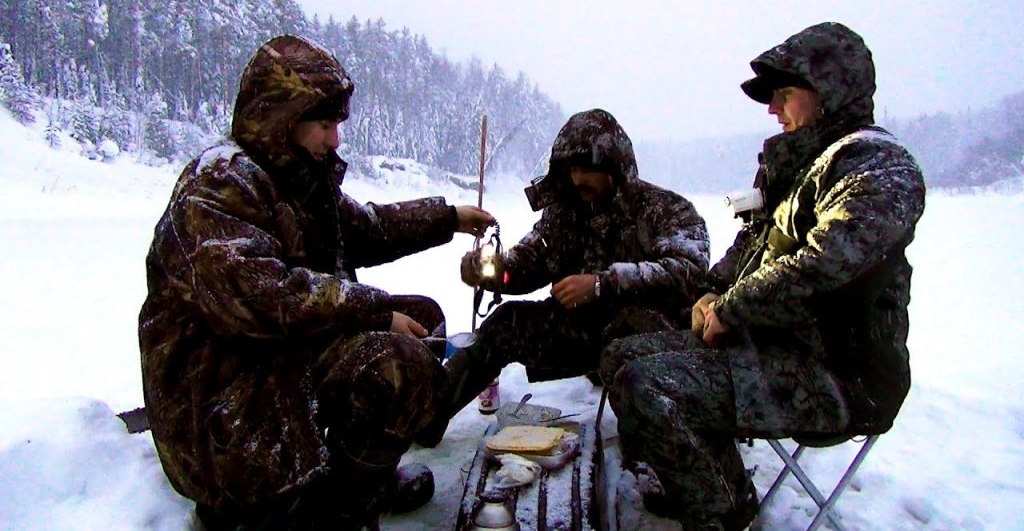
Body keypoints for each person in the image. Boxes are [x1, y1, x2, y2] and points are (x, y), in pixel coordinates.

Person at [138, 34, 494, 531]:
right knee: (395, 361)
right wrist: (373, 312)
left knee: (421, 319)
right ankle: (316, 511)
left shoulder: (298, 178)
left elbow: (367, 228)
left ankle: (359, 482)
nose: (335, 140)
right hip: (224, 408)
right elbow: (263, 293)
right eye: (324, 125)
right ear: (283, 120)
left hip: (275, 359)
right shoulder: (219, 185)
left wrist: (448, 217)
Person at [599, 22, 927, 530]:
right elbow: (752, 247)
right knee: (621, 354)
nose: (773, 109)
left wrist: (732, 309)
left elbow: (824, 263)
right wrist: (712, 289)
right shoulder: (796, 169)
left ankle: (724, 517)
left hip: (840, 374)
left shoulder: (879, 167)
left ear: (830, 92)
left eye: (784, 94)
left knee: (650, 386)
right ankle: (712, 485)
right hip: (776, 345)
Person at [416, 108, 710, 447]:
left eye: (587, 169)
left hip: (644, 340)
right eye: (572, 169)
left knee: (637, 336)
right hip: (581, 332)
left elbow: (687, 270)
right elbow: (529, 262)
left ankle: (659, 451)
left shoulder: (665, 209)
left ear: (614, 167)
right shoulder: (565, 213)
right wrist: (494, 272)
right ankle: (424, 417)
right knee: (506, 323)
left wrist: (602, 284)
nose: (577, 178)